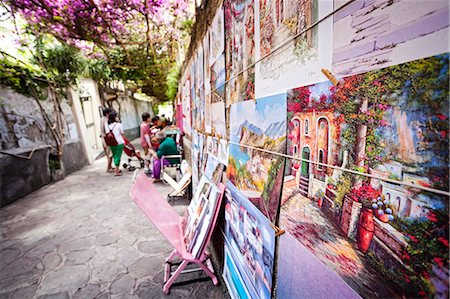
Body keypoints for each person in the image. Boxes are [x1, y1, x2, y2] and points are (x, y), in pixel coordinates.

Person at [105, 111, 125, 176]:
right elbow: (122, 134)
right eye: (116, 116)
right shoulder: (118, 125)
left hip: (112, 143)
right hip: (119, 142)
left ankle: (117, 169)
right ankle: (116, 171)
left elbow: (107, 133)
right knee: (118, 157)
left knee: (115, 156)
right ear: (114, 117)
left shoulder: (107, 125)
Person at [100, 107, 113, 173]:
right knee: (110, 154)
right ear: (107, 114)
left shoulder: (102, 119)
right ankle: (108, 168)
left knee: (108, 154)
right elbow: (107, 131)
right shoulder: (106, 120)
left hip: (103, 138)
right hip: (106, 139)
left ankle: (110, 166)